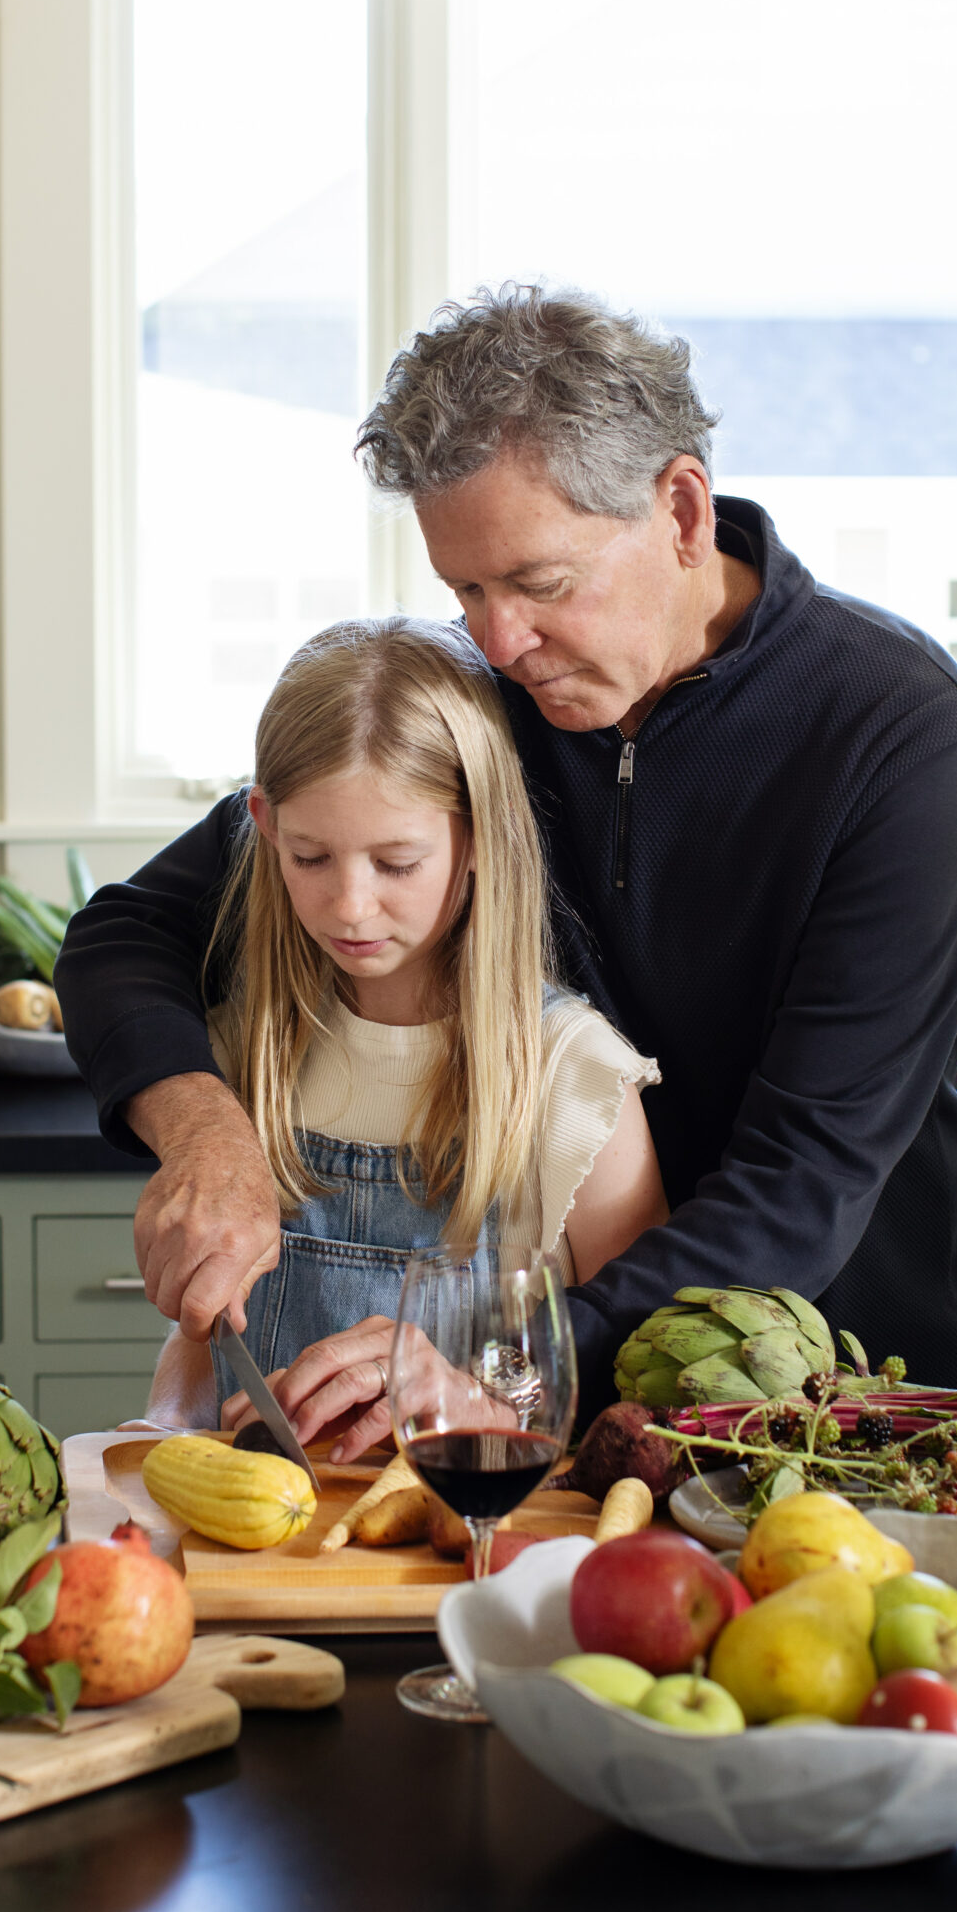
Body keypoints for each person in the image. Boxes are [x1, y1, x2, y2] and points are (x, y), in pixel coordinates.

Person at [58, 285, 957, 1448]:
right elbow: (121, 937)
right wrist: (208, 1136)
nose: (498, 642)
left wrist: (504, 1365)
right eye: (465, 589)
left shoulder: (897, 734)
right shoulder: (475, 698)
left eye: (541, 585)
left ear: (683, 510)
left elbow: (804, 1182)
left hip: (827, 1385)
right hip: (519, 1394)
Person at [141, 616, 666, 1453]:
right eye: (311, 857)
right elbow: (203, 1342)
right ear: (264, 824)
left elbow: (634, 1383)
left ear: (475, 837)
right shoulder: (245, 1044)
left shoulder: (575, 1077)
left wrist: (475, 1400)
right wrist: (160, 1428)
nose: (349, 905)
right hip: (261, 1561)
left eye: (395, 863)